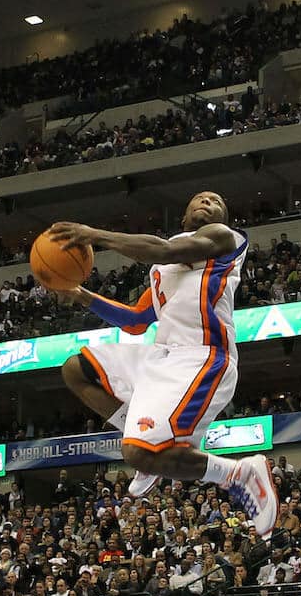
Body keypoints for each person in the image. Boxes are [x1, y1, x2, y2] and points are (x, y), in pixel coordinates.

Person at [50, 192, 278, 537]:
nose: (207, 202)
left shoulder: (222, 237)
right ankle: (145, 440)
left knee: (138, 455)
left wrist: (94, 235)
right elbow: (136, 320)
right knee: (75, 370)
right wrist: (82, 295)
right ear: (184, 215)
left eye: (216, 201)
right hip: (162, 356)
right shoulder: (161, 271)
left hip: (202, 356)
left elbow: (165, 249)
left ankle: (239, 473)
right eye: (200, 199)